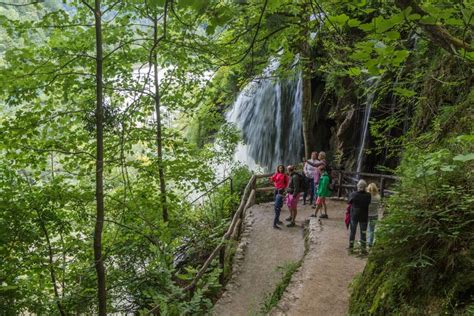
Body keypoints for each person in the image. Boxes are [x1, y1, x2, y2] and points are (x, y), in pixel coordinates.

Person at [348, 179, 371, 255]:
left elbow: (349, 202)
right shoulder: (368, 195)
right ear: (365, 187)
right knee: (363, 233)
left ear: (358, 186)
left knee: (352, 232)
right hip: (364, 216)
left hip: (354, 215)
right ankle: (363, 250)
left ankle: (351, 248)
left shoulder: (353, 194)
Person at [366, 183, 381, 247]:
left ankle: (363, 242)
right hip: (375, 215)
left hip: (366, 215)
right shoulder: (378, 197)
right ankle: (370, 243)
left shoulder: (367, 197)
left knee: (363, 229)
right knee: (372, 230)